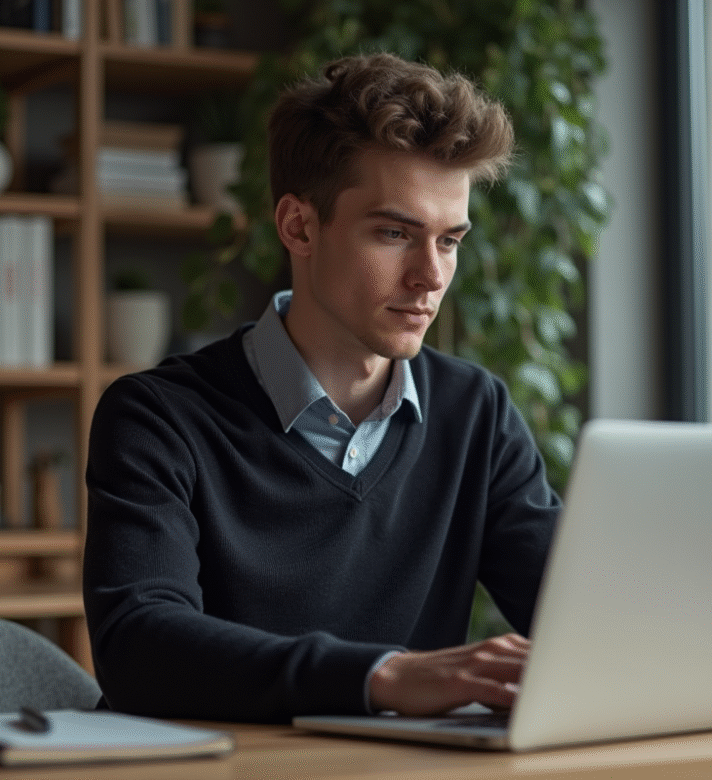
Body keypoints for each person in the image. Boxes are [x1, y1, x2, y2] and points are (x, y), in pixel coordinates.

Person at [83, 52, 561, 723]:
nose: (431, 276)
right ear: (298, 226)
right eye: (394, 233)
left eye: (450, 241)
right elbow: (138, 648)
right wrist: (381, 676)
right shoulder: (158, 418)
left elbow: (586, 618)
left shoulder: (476, 413)